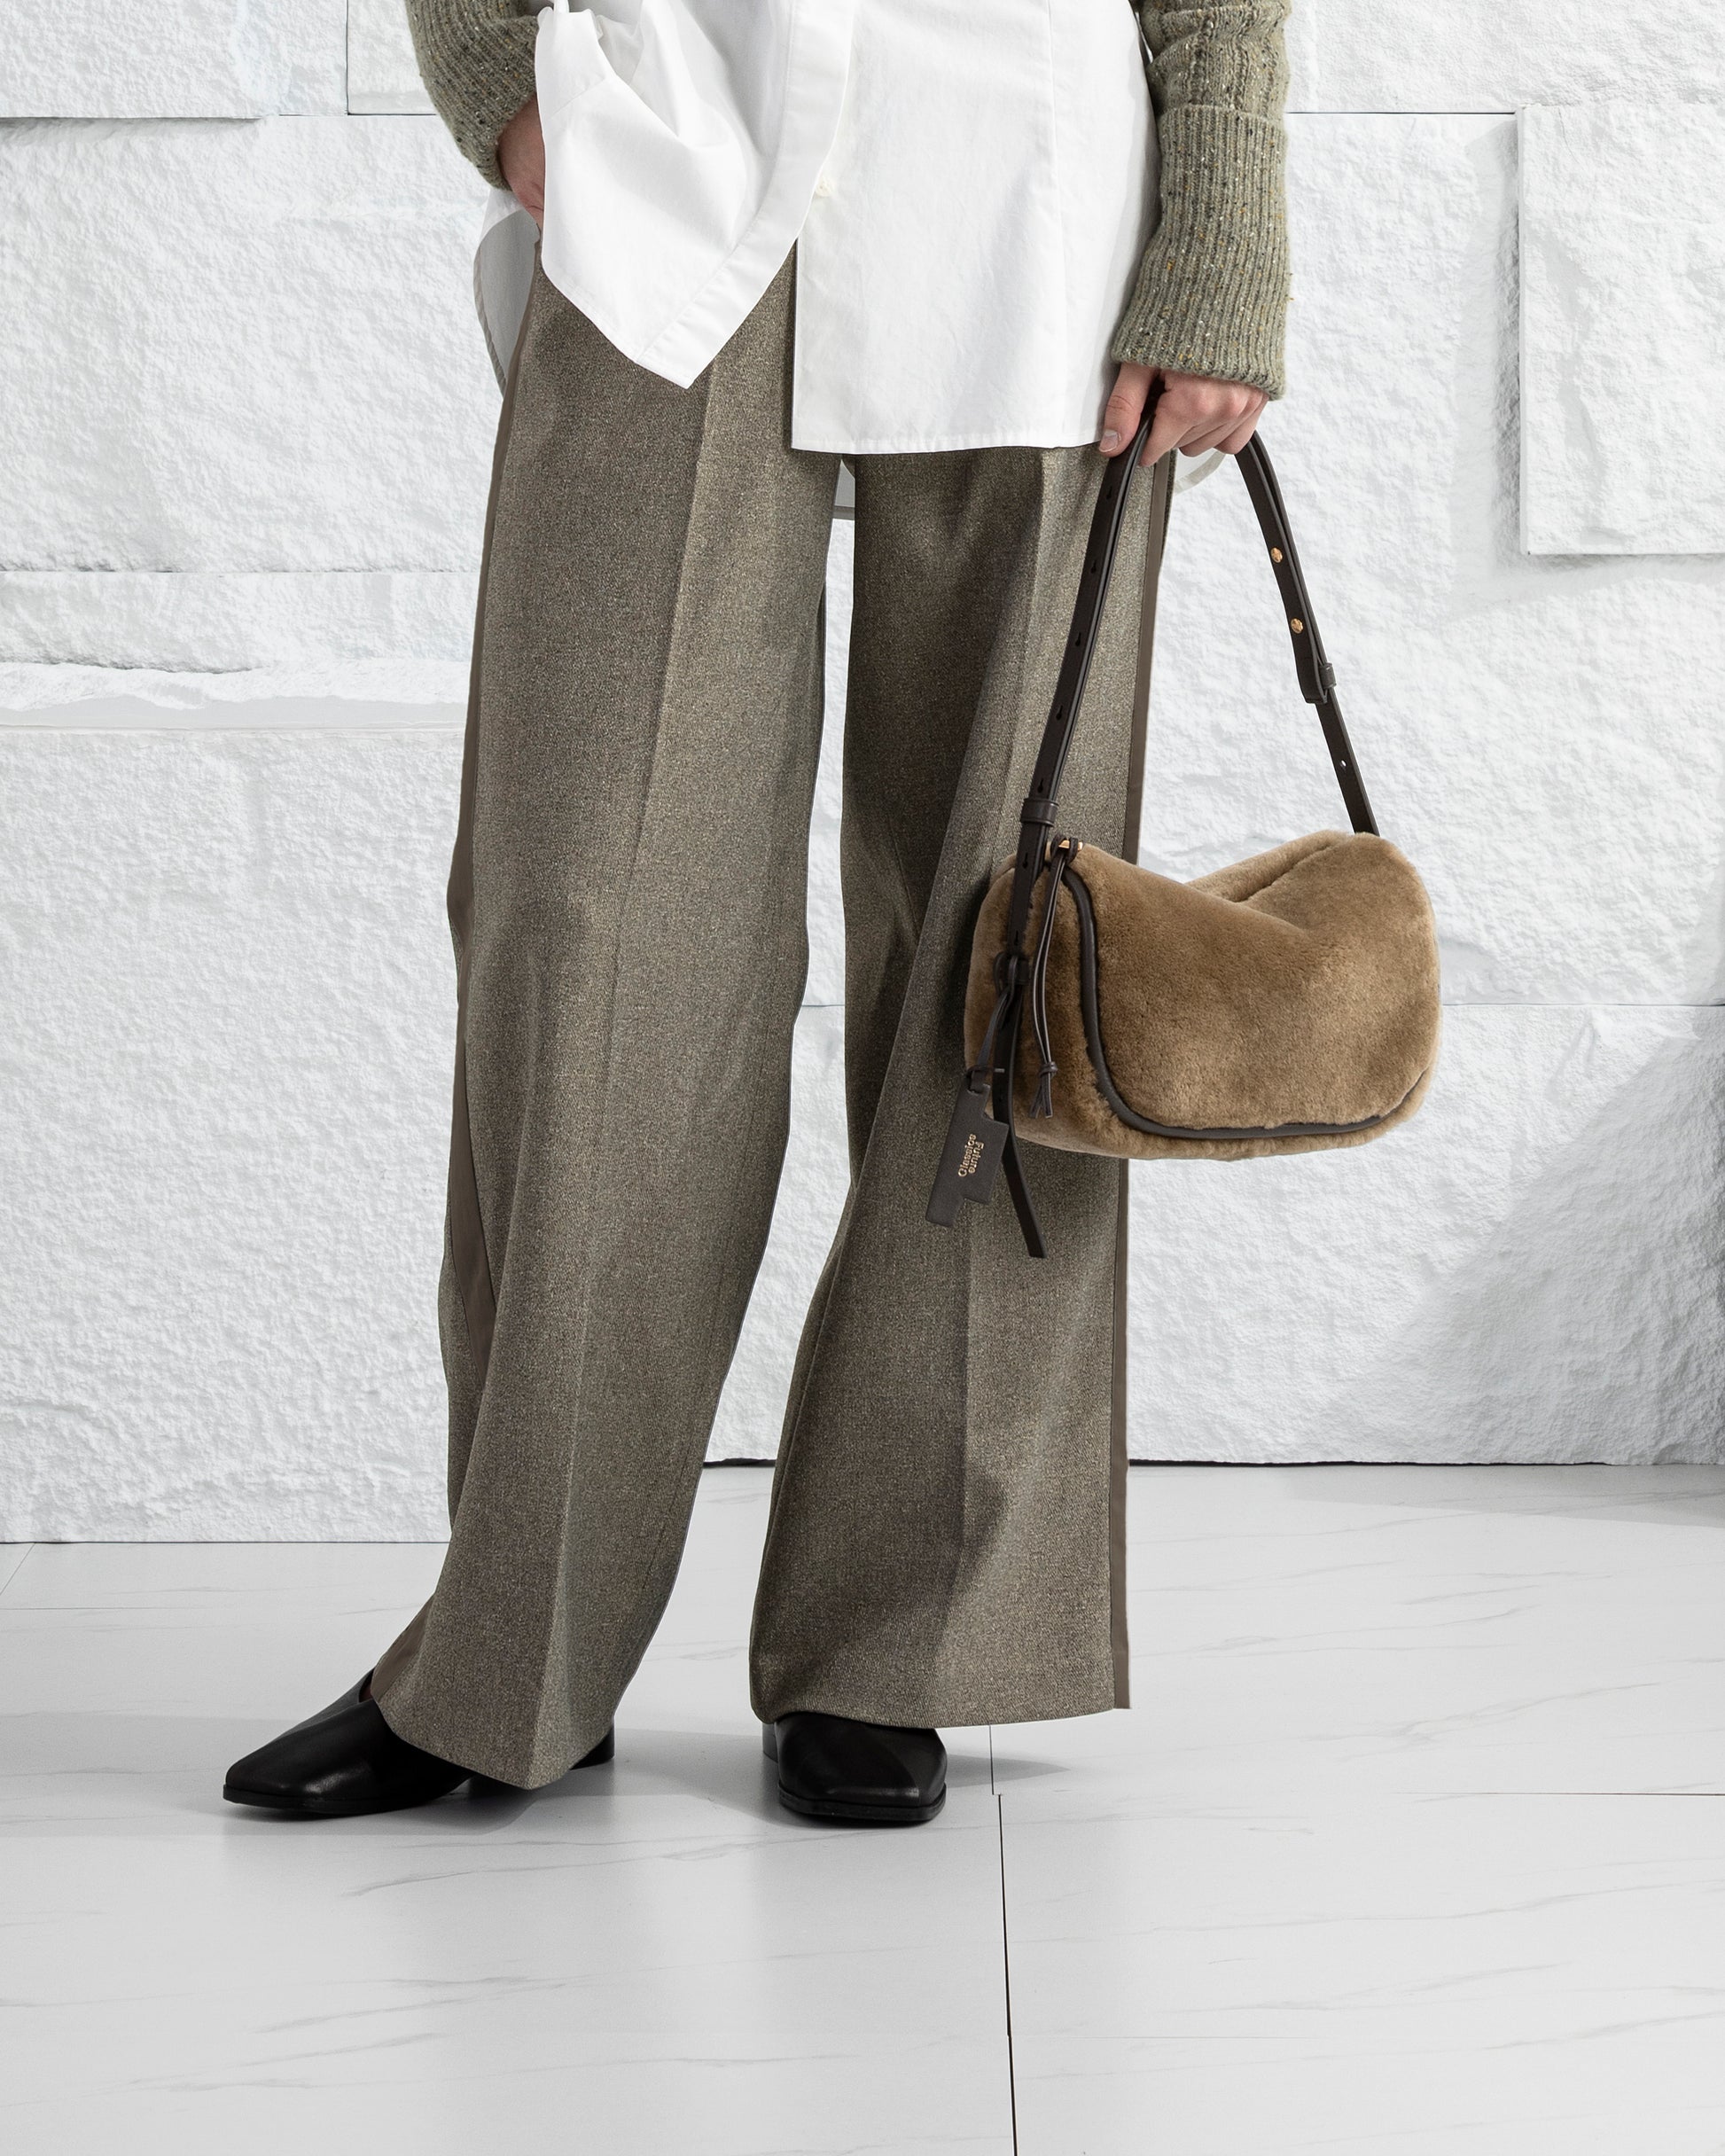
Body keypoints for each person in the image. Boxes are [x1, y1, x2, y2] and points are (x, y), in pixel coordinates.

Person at [225, 0, 1290, 1825]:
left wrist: (1224, 224)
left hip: (1036, 177)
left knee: (1005, 955)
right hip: (671, 147)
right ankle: (512, 1656)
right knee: (588, 934)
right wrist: (509, 89)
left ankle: (901, 1648)